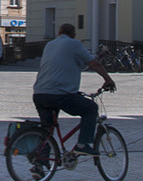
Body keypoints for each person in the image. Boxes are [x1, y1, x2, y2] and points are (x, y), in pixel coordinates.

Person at [32, 23, 115, 157]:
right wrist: (108, 79)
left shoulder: (50, 44)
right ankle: (83, 145)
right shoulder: (74, 44)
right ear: (73, 34)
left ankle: (40, 162)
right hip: (58, 94)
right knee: (91, 109)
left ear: (59, 33)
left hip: (39, 93)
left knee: (47, 129)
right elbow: (94, 63)